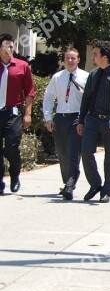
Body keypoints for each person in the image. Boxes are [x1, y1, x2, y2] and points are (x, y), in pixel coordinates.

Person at [77, 40, 110, 203]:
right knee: (86, 152)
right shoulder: (93, 75)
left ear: (104, 57)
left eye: (95, 54)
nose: (93, 56)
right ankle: (95, 184)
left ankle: (106, 191)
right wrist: (81, 120)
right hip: (92, 119)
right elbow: (86, 99)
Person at [42, 47, 88, 200]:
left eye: (73, 58)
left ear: (78, 60)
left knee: (74, 151)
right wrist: (48, 117)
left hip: (77, 117)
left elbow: (90, 100)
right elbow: (48, 97)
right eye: (67, 58)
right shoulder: (57, 77)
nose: (70, 61)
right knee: (62, 152)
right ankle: (66, 181)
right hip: (61, 117)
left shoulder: (85, 77)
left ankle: (70, 185)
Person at [0, 34, 35, 195]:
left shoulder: (22, 66)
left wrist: (27, 114)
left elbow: (29, 91)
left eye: (12, 46)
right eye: (6, 46)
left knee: (12, 147)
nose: (10, 49)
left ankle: (15, 175)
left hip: (12, 113)